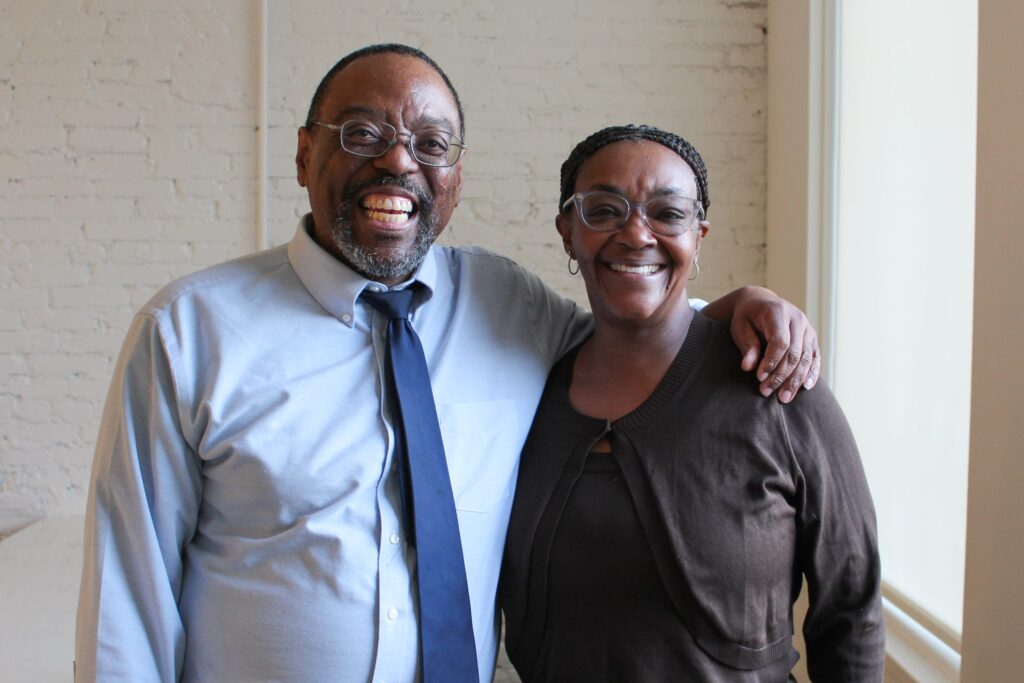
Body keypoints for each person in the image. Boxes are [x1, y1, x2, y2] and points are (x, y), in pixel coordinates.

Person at [74, 45, 820, 682]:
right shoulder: (190, 331)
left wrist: (736, 305)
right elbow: (127, 594)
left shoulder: (506, 304)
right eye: (363, 133)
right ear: (305, 153)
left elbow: (632, 329)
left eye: (432, 144)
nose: (399, 160)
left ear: (455, 177)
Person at [500, 125, 883, 682]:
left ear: (698, 235)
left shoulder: (777, 385)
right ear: (567, 232)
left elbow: (851, 607)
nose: (636, 235)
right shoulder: (523, 396)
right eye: (603, 210)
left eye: (668, 212)